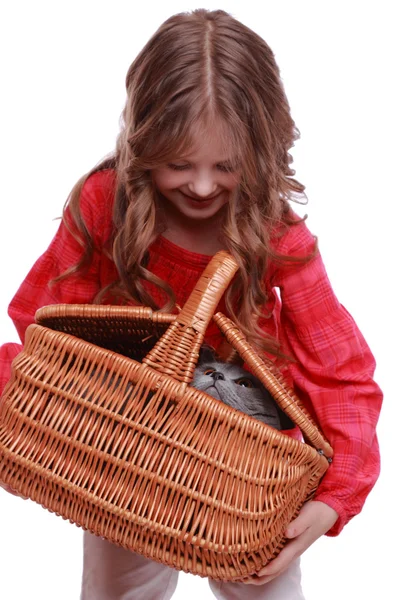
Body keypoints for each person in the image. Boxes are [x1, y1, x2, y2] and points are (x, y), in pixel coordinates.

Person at [0, 8, 382, 600]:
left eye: (225, 166)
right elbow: (46, 325)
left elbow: (342, 372)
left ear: (260, 151)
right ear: (144, 139)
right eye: (179, 163)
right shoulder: (107, 203)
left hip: (242, 460)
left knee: (265, 588)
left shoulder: (278, 236)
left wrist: (332, 503)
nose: (202, 186)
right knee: (117, 591)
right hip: (121, 442)